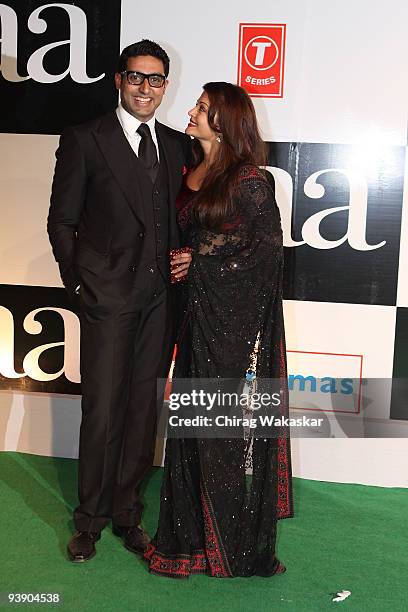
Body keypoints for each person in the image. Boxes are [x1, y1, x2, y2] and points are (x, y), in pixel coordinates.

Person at [47, 40, 192, 562]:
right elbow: (61, 221)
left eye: (155, 79)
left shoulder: (178, 146)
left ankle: (128, 513)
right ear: (117, 79)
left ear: (165, 86)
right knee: (102, 411)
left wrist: (190, 254)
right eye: (136, 77)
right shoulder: (86, 139)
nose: (145, 88)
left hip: (160, 302)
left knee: (140, 410)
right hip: (107, 298)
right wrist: (80, 285)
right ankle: (89, 519)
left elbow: (186, 217)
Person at [145, 82, 293, 578]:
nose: (191, 111)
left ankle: (231, 549)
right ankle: (187, 543)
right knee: (187, 431)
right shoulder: (193, 165)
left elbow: (267, 249)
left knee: (215, 431)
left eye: (203, 108)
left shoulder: (248, 180)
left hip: (226, 323)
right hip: (191, 316)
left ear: (225, 122)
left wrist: (201, 263)